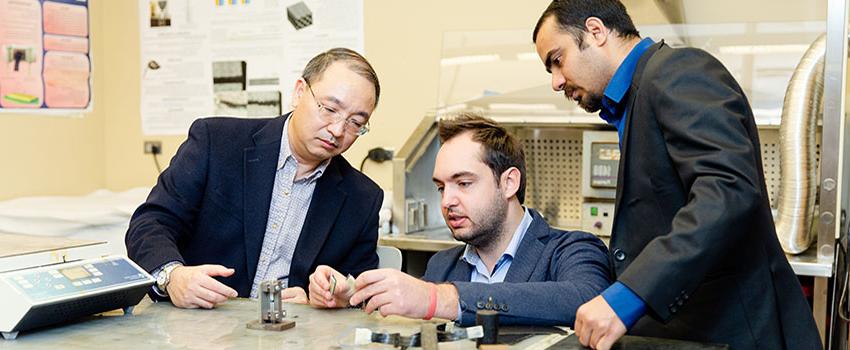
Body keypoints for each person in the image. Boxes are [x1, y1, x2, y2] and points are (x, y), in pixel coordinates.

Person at [532, 1, 821, 349]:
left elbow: (728, 191)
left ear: (595, 31)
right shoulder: (635, 101)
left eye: (557, 60)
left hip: (736, 332)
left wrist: (627, 296)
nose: (556, 81)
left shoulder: (679, 71)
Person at [126, 48, 384, 309]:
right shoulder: (216, 143)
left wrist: (333, 297)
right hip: (200, 326)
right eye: (329, 109)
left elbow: (358, 285)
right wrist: (173, 276)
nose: (338, 130)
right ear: (299, 92)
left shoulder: (362, 198)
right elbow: (150, 222)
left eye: (355, 123)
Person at [307, 113, 611, 326]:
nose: (447, 200)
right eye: (441, 187)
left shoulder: (571, 250)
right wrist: (354, 298)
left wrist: (440, 299)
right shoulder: (442, 266)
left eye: (463, 183)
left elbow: (587, 298)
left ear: (509, 183)